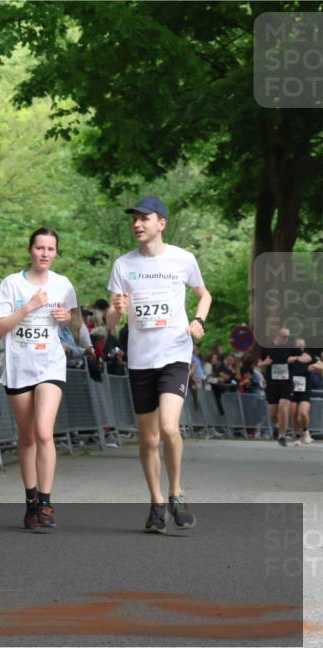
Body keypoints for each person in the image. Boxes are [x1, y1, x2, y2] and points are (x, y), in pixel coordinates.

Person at [106, 195, 212, 534]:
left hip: (175, 355)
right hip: (141, 359)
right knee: (149, 439)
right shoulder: (124, 265)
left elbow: (204, 295)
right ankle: (155, 504)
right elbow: (110, 322)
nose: (137, 224)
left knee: (169, 428)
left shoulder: (183, 259)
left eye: (144, 218)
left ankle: (176, 491)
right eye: (134, 219)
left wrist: (199, 320)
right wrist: (116, 312)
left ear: (161, 223)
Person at [0, 227, 77, 531]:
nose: (45, 254)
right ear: (30, 250)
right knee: (26, 437)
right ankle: (30, 503)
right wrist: (28, 307)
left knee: (43, 431)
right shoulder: (12, 284)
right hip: (19, 365)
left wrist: (68, 319)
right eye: (40, 248)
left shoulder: (63, 284)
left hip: (50, 364)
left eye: (50, 249)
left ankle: (46, 503)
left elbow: (74, 321)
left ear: (56, 252)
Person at [258, 327, 298, 446]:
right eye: (284, 336)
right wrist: (265, 363)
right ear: (278, 335)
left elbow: (305, 357)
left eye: (288, 337)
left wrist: (294, 358)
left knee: (283, 407)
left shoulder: (291, 348)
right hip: (272, 384)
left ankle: (282, 435)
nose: (286, 339)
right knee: (273, 415)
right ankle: (277, 426)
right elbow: (259, 364)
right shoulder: (267, 348)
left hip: (286, 383)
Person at [288, 338, 314, 445]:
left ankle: (306, 431)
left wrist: (314, 366)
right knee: (294, 414)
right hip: (292, 390)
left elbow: (320, 364)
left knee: (303, 413)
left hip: (305, 390)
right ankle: (297, 436)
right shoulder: (290, 359)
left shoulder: (309, 357)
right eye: (298, 345)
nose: (300, 347)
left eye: (302, 345)